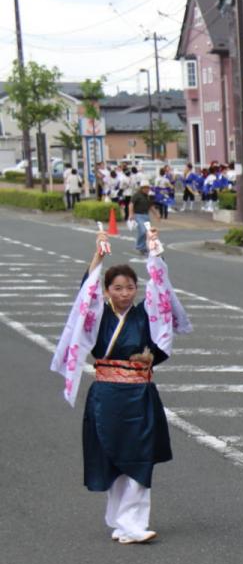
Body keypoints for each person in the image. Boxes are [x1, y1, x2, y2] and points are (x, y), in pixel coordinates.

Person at [52, 228, 191, 543]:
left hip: (140, 395)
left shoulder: (146, 315)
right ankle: (120, 521)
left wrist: (156, 254)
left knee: (139, 455)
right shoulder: (97, 314)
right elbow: (84, 293)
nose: (125, 293)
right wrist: (98, 256)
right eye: (117, 288)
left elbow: (162, 293)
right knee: (113, 455)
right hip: (106, 395)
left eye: (130, 287)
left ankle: (133, 523)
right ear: (106, 290)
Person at [131, 181, 157, 256]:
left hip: (146, 216)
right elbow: (131, 204)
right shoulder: (137, 195)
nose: (147, 189)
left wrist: (156, 214)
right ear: (141, 188)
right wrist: (131, 214)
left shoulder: (148, 196)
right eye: (145, 188)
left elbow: (151, 206)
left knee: (147, 232)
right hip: (138, 215)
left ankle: (143, 247)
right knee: (143, 231)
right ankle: (139, 246)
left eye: (148, 188)